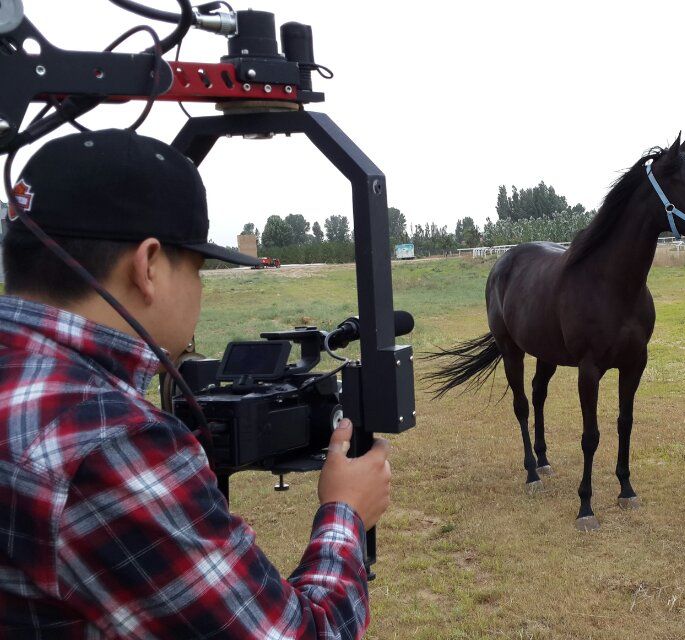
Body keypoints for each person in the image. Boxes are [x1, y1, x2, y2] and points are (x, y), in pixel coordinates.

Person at [0, 129, 392, 638]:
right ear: (148, 266)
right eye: (199, 270)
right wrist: (347, 511)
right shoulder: (110, 440)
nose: (200, 290)